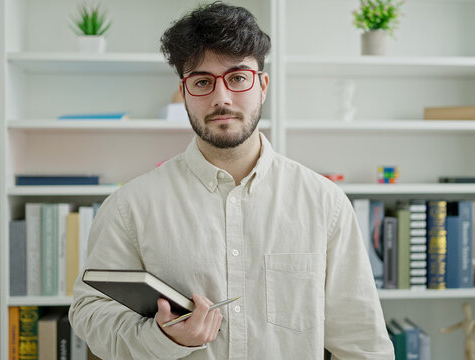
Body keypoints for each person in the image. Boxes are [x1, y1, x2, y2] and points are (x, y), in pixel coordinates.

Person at [69, 2, 394, 359]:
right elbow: (90, 315)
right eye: (203, 81)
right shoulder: (130, 206)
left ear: (262, 85)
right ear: (184, 92)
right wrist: (164, 338)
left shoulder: (325, 203)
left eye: (238, 78)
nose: (221, 98)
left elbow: (362, 344)